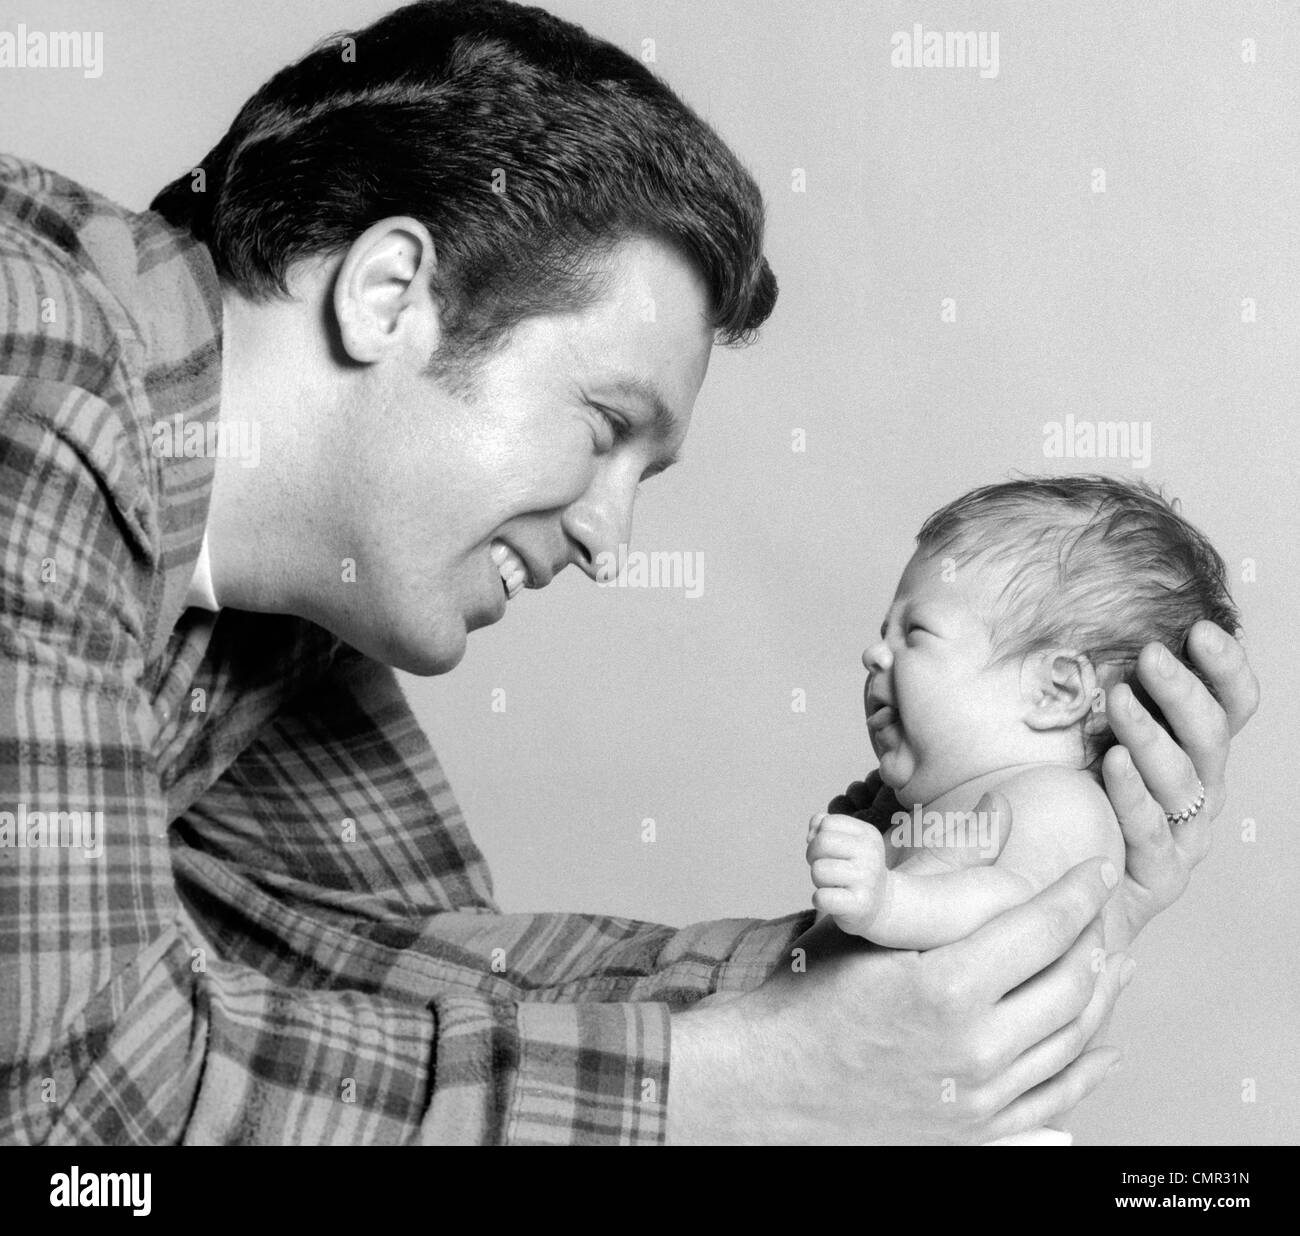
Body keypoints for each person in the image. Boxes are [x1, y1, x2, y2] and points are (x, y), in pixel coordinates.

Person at [0, 0, 1258, 1145]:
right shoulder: (33, 358)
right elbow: (80, 1101)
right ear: (390, 294)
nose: (610, 542)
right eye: (605, 430)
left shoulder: (269, 604)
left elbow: (425, 989)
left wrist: (1005, 903)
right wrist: (751, 1093)